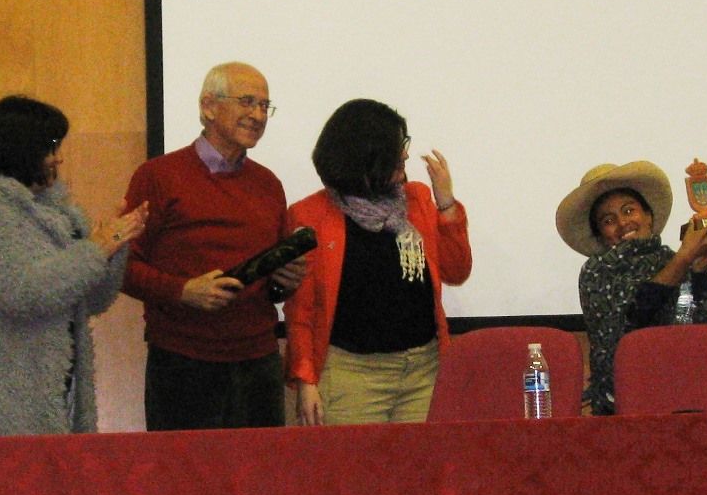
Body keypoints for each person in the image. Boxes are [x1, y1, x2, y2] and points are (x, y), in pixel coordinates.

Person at [0, 95, 148, 450]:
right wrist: (98, 247)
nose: (58, 157)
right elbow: (25, 292)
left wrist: (116, 245)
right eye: (51, 146)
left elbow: (92, 300)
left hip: (55, 398)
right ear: (20, 147)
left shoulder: (60, 212)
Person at [122, 62, 305, 430]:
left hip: (259, 360)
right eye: (247, 102)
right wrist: (183, 291)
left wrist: (284, 281)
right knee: (185, 483)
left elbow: (271, 289)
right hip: (182, 362)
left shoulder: (269, 184)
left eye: (264, 106)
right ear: (208, 106)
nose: (257, 115)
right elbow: (121, 267)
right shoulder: (158, 176)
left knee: (260, 482)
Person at [284, 98, 472, 425]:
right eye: (398, 145)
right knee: (353, 475)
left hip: (422, 371)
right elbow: (301, 310)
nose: (405, 154)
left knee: (420, 473)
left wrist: (446, 204)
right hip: (350, 376)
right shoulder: (310, 216)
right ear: (366, 154)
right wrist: (306, 380)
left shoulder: (419, 200)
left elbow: (458, 271)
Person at [555, 160, 707, 415]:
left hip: (691, 398)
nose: (623, 223)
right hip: (626, 409)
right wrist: (684, 259)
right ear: (599, 235)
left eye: (629, 211)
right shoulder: (597, 271)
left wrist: (698, 273)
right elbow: (634, 321)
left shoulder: (672, 260)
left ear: (649, 216)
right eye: (609, 220)